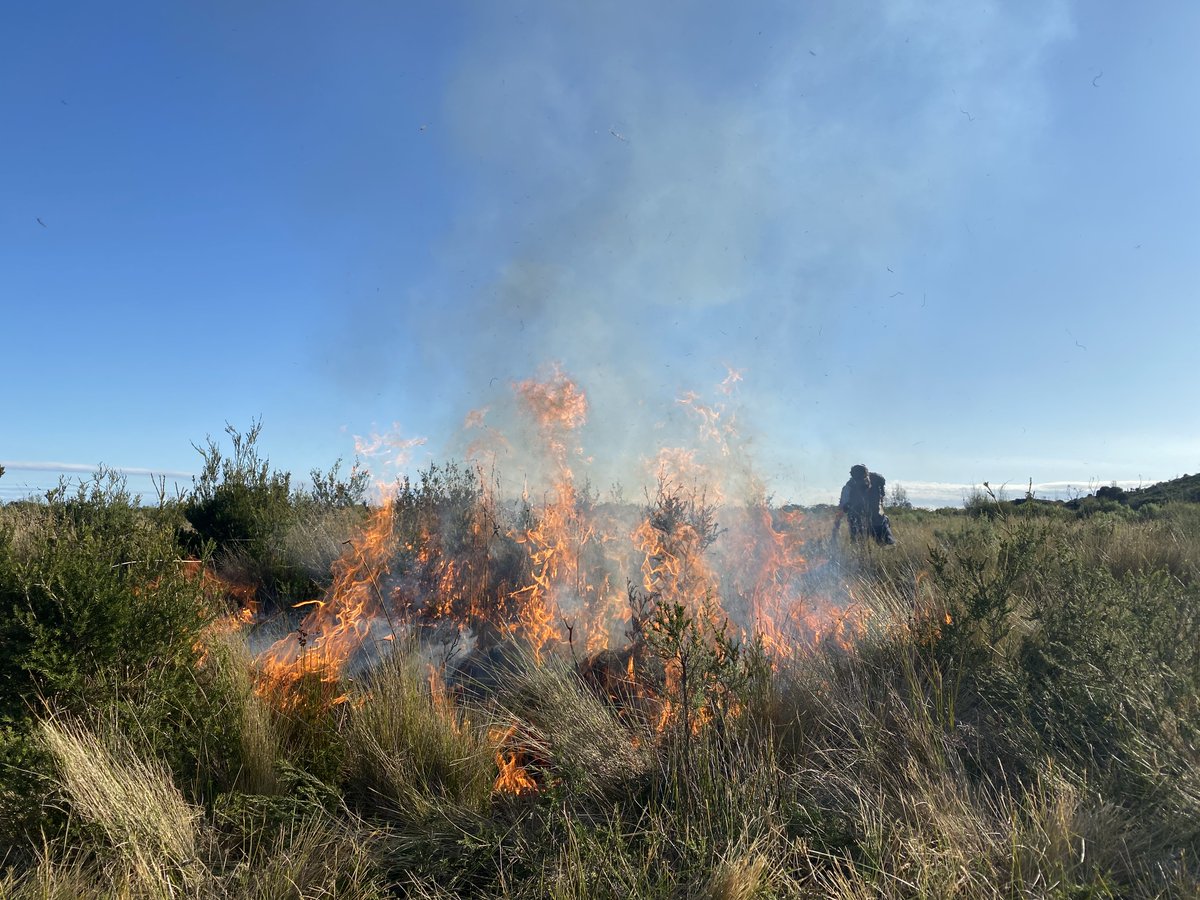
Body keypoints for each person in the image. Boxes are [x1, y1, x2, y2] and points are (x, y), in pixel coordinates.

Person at [835, 464, 896, 545]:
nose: (862, 482)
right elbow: (842, 508)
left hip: (877, 520)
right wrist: (836, 527)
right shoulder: (848, 488)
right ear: (853, 478)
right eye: (858, 479)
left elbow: (881, 497)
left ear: (867, 475)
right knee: (859, 548)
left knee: (888, 546)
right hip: (857, 522)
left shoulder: (878, 481)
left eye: (863, 478)